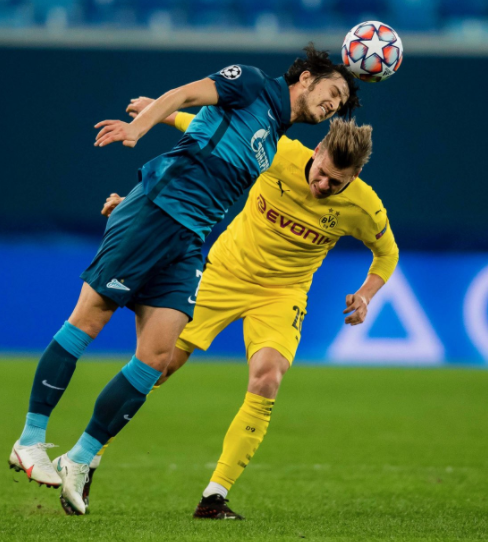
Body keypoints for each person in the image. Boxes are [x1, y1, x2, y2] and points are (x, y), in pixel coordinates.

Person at [8, 45, 360, 516]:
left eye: (342, 102)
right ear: (307, 77)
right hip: (158, 211)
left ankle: (80, 457)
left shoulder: (274, 138)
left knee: (156, 358)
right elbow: (186, 94)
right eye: (333, 91)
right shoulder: (253, 82)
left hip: (190, 240)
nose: (334, 104)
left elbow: (204, 139)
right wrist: (138, 129)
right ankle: (30, 439)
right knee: (88, 320)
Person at [84, 102, 398, 519]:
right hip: (224, 273)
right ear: (318, 150)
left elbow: (387, 253)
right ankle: (87, 457)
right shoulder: (279, 153)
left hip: (282, 294)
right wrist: (158, 113)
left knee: (268, 377)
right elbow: (217, 130)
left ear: (354, 177)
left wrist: (366, 294)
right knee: (157, 366)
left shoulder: (364, 207)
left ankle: (214, 496)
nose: (322, 185)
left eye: (335, 182)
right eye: (321, 172)